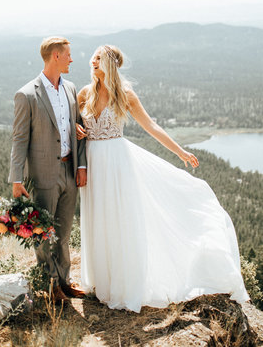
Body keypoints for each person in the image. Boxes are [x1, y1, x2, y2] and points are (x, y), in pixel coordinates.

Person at [77, 44, 249, 313]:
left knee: (119, 220)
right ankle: (102, 281)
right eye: (93, 57)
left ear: (110, 64)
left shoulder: (125, 94)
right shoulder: (84, 93)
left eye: (99, 58)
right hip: (92, 163)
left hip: (118, 164)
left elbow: (152, 127)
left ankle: (122, 285)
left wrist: (180, 151)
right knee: (98, 217)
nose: (93, 61)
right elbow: (70, 125)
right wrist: (76, 131)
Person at [8, 36, 88, 303]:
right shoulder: (27, 94)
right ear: (56, 56)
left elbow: (77, 129)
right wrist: (16, 178)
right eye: (68, 54)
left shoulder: (71, 89)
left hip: (69, 171)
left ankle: (64, 281)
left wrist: (80, 165)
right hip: (43, 175)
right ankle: (50, 284)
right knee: (43, 233)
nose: (71, 59)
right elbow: (19, 139)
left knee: (64, 233)